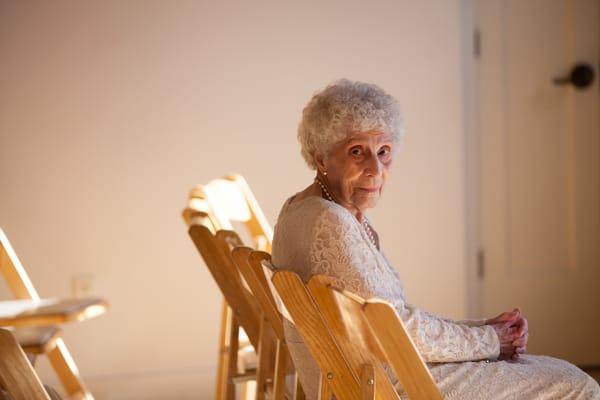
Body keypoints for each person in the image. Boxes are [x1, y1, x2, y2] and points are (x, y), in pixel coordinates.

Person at [271, 79, 600, 399]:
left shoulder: (300, 209)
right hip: (389, 385)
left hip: (360, 375)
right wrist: (490, 340)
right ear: (321, 157)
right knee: (576, 383)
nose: (375, 169)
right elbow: (394, 329)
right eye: (357, 151)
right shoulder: (330, 222)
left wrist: (481, 328)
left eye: (384, 151)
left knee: (553, 372)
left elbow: (391, 317)